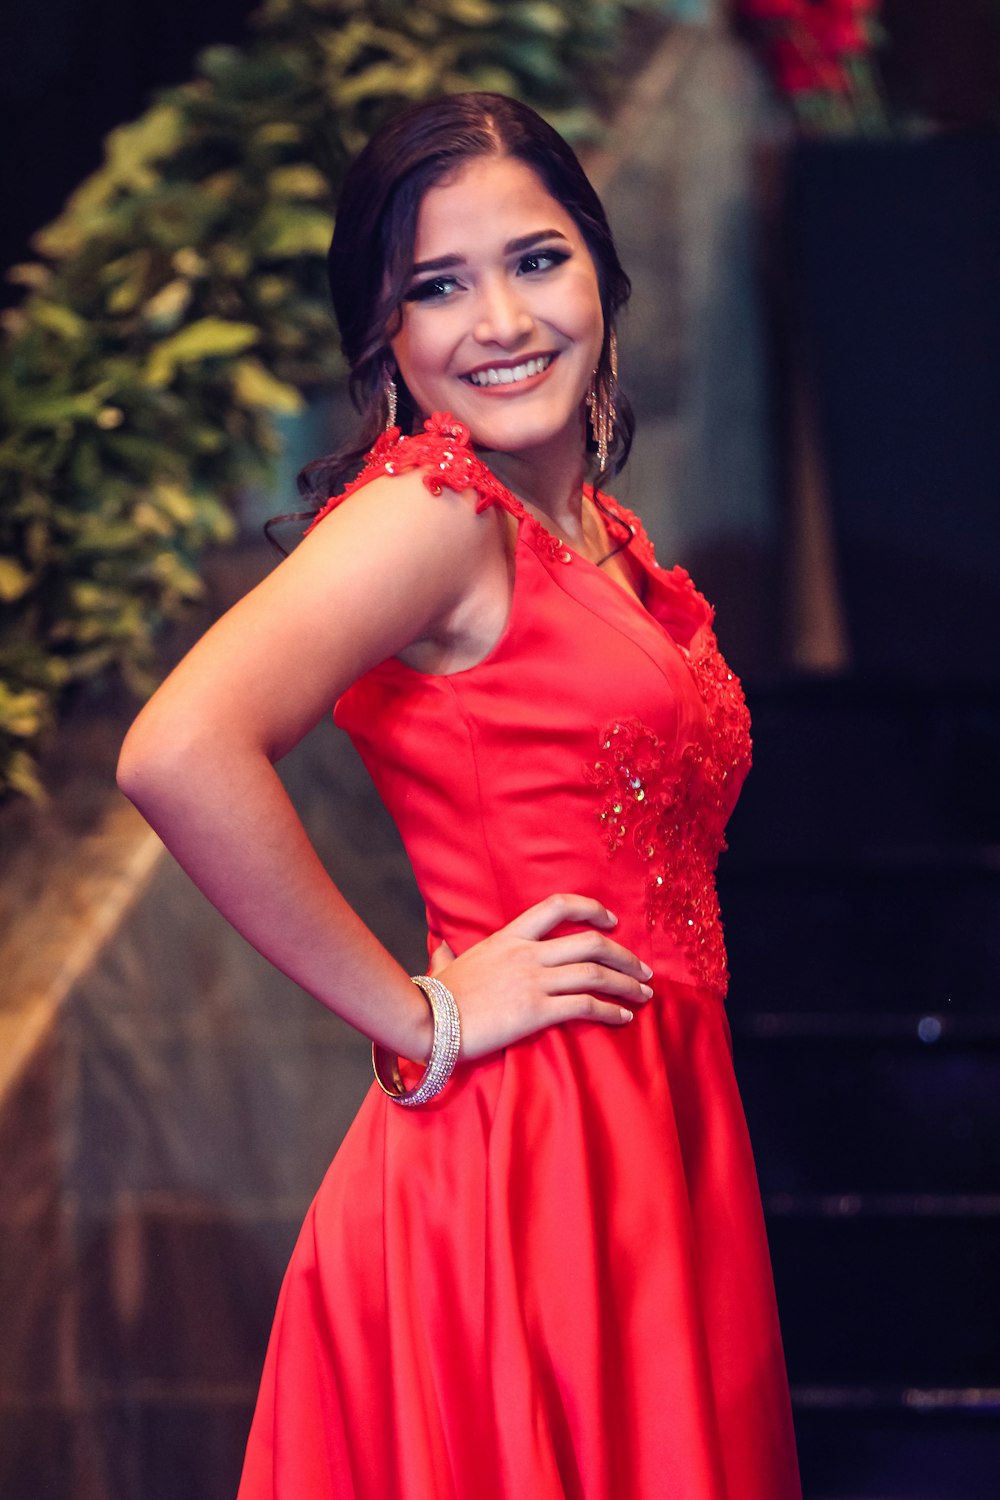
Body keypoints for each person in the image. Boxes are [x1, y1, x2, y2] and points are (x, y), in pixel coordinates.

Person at [117, 92, 801, 1500]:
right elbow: (177, 750)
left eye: (534, 261)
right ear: (391, 339)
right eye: (438, 286)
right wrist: (417, 1014)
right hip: (525, 1150)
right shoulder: (433, 517)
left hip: (652, 1126)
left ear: (602, 279)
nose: (499, 320)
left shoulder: (597, 532)